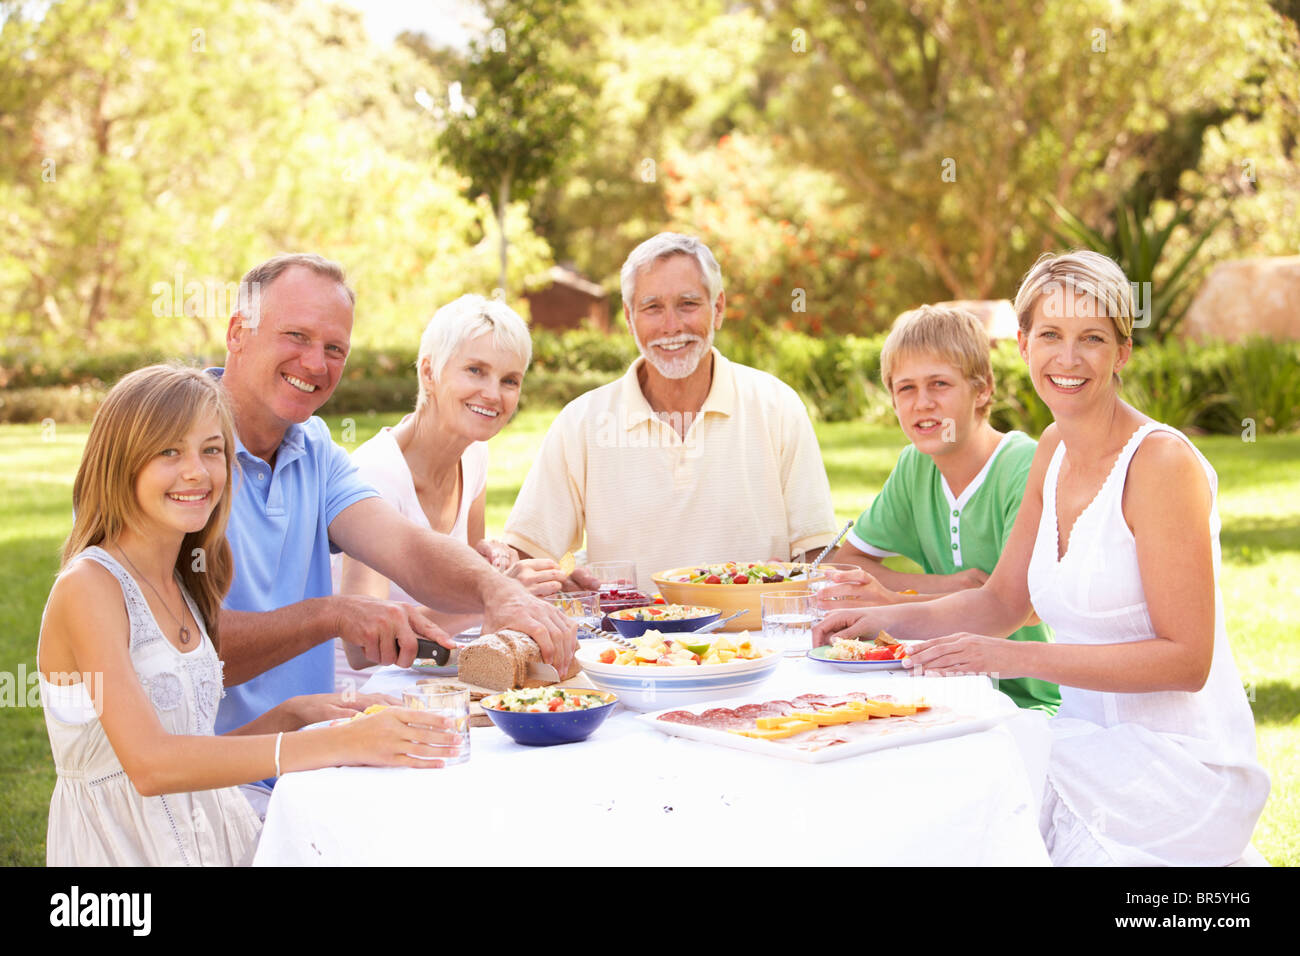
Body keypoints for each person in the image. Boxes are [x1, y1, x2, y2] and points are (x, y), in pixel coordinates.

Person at [816, 251, 1269, 865]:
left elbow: (1187, 661)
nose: (1069, 358)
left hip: (1179, 767)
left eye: (1093, 338)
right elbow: (1001, 602)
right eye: (1050, 335)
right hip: (1079, 745)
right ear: (1024, 344)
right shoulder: (1052, 449)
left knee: (960, 800)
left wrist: (1009, 656)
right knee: (919, 773)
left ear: (1122, 351)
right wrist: (885, 617)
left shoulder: (1161, 464)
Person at [37, 366, 463, 866]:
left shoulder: (185, 582)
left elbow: (190, 748)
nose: (196, 471)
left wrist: (289, 715)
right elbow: (150, 766)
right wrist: (339, 744)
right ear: (118, 462)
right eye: (168, 451)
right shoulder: (89, 587)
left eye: (212, 450)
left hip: (208, 839)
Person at [211, 254, 576, 745]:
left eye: (335, 348)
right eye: (296, 336)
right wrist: (333, 613)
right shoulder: (179, 451)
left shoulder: (315, 447)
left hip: (308, 759)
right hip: (209, 783)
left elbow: (406, 547)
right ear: (237, 332)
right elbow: (185, 649)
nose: (317, 363)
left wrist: (496, 588)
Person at [503, 233, 838, 592]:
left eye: (688, 304)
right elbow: (527, 556)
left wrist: (799, 578)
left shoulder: (778, 407)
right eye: (652, 308)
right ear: (630, 319)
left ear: (719, 308)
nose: (671, 326)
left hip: (756, 643)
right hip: (627, 643)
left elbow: (818, 555)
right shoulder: (582, 421)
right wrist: (555, 579)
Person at [819, 305, 1059, 713]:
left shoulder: (1025, 468)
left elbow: (1026, 611)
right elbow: (849, 563)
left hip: (1029, 699)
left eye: (939, 384)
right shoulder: (915, 466)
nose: (922, 403)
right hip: (937, 682)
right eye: (905, 388)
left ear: (982, 389)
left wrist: (893, 604)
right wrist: (947, 585)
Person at [336, 294, 569, 676]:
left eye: (509, 380)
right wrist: (493, 593)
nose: (493, 394)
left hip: (434, 676)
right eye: (475, 370)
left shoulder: (474, 455)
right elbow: (361, 650)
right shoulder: (375, 475)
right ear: (429, 373)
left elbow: (464, 582)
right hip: (366, 696)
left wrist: (496, 573)